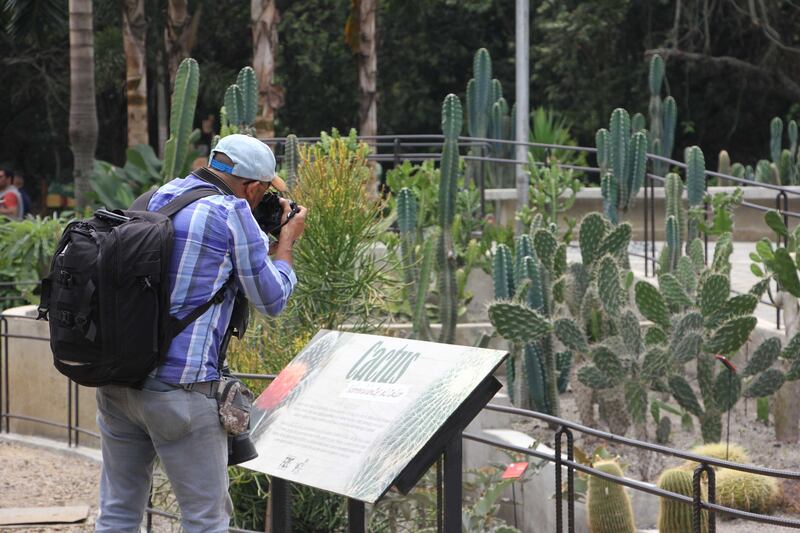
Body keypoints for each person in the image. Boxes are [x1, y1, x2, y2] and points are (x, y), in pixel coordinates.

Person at [94, 134, 307, 533]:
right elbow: (270, 300)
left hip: (119, 383)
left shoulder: (160, 196)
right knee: (205, 521)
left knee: (118, 513)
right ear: (254, 188)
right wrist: (286, 245)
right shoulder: (231, 213)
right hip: (181, 391)